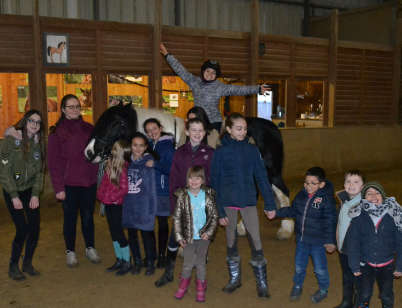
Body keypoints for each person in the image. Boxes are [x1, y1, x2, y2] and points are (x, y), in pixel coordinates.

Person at [211, 112, 276, 298]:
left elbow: (262, 177)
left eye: (245, 128)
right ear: (229, 129)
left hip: (248, 202)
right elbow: (215, 182)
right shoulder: (221, 152)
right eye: (239, 128)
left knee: (256, 241)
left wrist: (270, 204)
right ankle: (235, 278)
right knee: (231, 242)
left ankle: (262, 282)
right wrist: (219, 209)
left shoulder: (252, 150)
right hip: (228, 203)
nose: (243, 132)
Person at [155, 117, 214, 287]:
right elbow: (174, 178)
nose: (197, 133)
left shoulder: (210, 153)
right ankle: (169, 272)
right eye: (193, 130)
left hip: (201, 206)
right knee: (175, 238)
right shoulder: (179, 152)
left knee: (199, 240)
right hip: (182, 204)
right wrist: (175, 206)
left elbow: (212, 179)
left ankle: (198, 276)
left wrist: (209, 205)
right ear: (187, 132)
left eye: (200, 130)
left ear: (205, 133)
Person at [160, 43, 270, 131]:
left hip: (214, 123)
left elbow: (239, 90)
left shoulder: (219, 87)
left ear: (216, 75)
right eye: (208, 71)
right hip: (199, 122)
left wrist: (258, 89)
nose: (210, 74)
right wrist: (167, 55)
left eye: (213, 73)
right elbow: (180, 70)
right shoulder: (194, 82)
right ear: (203, 71)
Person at [268, 166, 337, 304]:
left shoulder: (326, 200)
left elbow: (330, 222)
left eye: (313, 183)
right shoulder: (301, 195)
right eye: (306, 182)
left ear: (321, 184)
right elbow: (293, 211)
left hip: (318, 242)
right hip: (302, 240)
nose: (308, 186)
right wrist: (276, 213)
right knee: (299, 266)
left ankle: (323, 289)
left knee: (320, 269)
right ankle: (297, 285)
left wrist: (330, 241)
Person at [47, 94, 100, 267]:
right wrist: (58, 188)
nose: (75, 109)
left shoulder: (89, 128)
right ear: (63, 109)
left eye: (77, 106)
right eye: (70, 106)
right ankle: (70, 250)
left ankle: (90, 247)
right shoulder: (57, 132)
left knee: (87, 217)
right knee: (70, 219)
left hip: (88, 183)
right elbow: (53, 162)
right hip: (69, 184)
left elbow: (97, 151)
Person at [0, 110, 44, 280]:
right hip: (13, 191)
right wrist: (13, 195)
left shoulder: (37, 143)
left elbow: (39, 172)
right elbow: (4, 171)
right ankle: (13, 265)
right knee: (22, 228)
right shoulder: (9, 141)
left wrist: (35, 194)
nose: (35, 125)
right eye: (32, 121)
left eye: (38, 122)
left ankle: (27, 263)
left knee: (34, 228)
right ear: (25, 121)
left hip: (29, 191)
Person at [347, 182, 402, 308]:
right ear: (364, 198)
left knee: (386, 294)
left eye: (377, 193)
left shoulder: (394, 216)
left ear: (383, 196)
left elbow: (400, 243)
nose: (373, 196)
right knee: (364, 293)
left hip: (387, 264)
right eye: (369, 193)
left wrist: (400, 266)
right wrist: (354, 265)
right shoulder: (358, 216)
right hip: (366, 264)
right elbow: (353, 242)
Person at [172, 166, 218, 302]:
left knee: (200, 263)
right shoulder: (182, 197)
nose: (194, 181)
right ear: (187, 180)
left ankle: (200, 286)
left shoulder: (208, 197)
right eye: (191, 178)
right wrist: (179, 237)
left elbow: (214, 217)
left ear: (203, 180)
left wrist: (208, 233)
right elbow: (177, 218)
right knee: (187, 263)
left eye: (197, 178)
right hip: (188, 237)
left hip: (203, 238)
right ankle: (184, 284)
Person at [122, 132, 157, 276]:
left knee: (147, 235)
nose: (137, 148)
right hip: (129, 206)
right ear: (130, 146)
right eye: (134, 145)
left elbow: (152, 188)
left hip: (144, 206)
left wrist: (151, 208)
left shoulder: (149, 163)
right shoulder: (125, 163)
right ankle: (137, 261)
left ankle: (150, 262)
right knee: (132, 235)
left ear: (146, 147)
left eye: (141, 145)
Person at [143, 118, 175, 268]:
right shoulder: (146, 146)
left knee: (162, 223)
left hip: (162, 191)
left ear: (160, 127)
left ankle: (162, 255)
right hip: (148, 191)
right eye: (148, 131)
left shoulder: (168, 146)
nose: (152, 132)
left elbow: (171, 169)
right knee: (148, 224)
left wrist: (155, 164)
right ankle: (151, 254)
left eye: (154, 128)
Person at [97, 140, 131, 276]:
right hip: (108, 204)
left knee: (119, 233)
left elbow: (124, 189)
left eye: (115, 149)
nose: (112, 151)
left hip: (116, 205)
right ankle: (119, 259)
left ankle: (127, 261)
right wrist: (101, 195)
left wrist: (111, 198)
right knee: (113, 232)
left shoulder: (122, 169)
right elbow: (104, 183)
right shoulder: (110, 166)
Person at [335, 170, 365, 308]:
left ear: (363, 186)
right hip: (344, 249)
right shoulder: (343, 201)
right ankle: (347, 302)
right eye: (348, 181)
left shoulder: (364, 205)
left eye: (356, 182)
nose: (351, 185)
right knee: (347, 277)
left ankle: (359, 304)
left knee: (359, 280)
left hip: (358, 253)